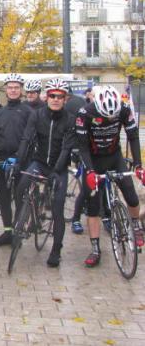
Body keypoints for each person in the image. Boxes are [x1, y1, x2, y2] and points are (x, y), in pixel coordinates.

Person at [75, 85, 144, 267]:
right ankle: (95, 249)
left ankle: (136, 226)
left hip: (114, 157)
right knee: (93, 206)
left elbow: (133, 137)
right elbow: (82, 146)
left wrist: (138, 165)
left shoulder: (124, 109)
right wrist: (89, 171)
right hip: (94, 159)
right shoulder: (84, 113)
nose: (109, 118)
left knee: (130, 193)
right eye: (106, 116)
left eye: (112, 116)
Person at [14, 78, 75, 267]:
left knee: (57, 209)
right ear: (46, 97)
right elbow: (26, 138)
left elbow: (66, 148)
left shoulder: (70, 119)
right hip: (39, 162)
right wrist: (18, 160)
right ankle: (22, 221)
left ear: (65, 99)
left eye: (60, 96)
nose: (55, 99)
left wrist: (57, 171)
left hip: (59, 167)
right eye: (52, 95)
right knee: (21, 185)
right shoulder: (37, 115)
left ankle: (56, 250)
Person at [0, 73, 32, 246]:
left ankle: (18, 231)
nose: (13, 90)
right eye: (10, 87)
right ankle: (7, 231)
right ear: (6, 90)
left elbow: (29, 138)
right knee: (4, 197)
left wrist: (19, 158)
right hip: (1, 160)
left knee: (19, 196)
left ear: (21, 90)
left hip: (21, 160)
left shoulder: (28, 111)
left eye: (16, 87)